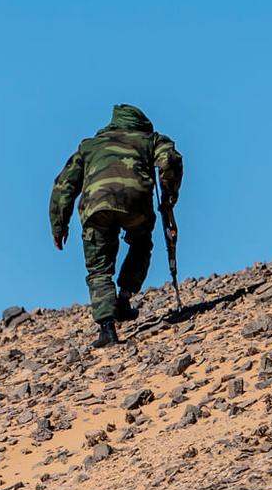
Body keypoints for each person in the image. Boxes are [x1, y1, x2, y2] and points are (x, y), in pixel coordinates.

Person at [49, 104, 184, 347]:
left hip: (96, 208)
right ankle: (124, 297)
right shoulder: (150, 139)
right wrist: (168, 198)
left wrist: (59, 225)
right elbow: (170, 161)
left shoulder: (89, 146)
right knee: (141, 243)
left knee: (99, 268)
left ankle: (107, 328)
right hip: (136, 204)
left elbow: (63, 186)